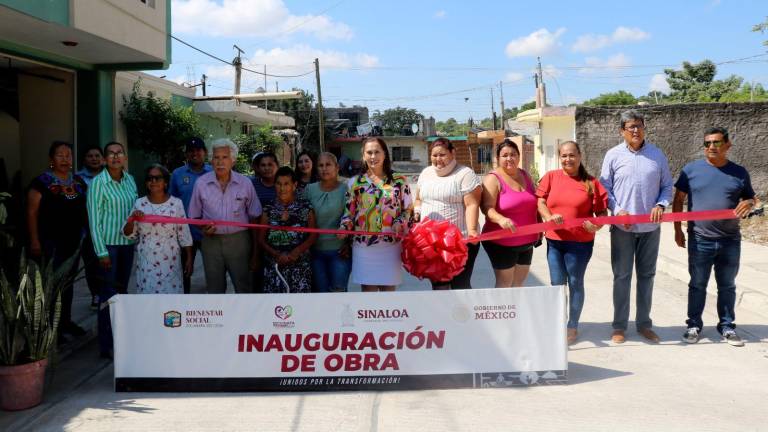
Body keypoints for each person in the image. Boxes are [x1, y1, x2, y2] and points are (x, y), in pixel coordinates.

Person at [673, 127, 756, 347]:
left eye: (716, 143)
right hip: (700, 238)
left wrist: (749, 203)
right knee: (697, 284)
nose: (711, 147)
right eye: (707, 143)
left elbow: (751, 198)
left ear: (728, 145)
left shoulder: (739, 172)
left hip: (730, 240)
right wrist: (677, 229)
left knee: (727, 285)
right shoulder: (691, 170)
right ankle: (693, 325)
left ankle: (727, 327)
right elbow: (679, 198)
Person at [599, 110, 673, 344]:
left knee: (647, 276)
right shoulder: (612, 155)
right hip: (623, 229)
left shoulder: (657, 155)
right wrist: (618, 209)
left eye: (639, 126)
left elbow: (667, 186)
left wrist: (661, 204)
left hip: (650, 229)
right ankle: (619, 326)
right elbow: (604, 189)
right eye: (630, 126)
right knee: (621, 276)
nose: (635, 130)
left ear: (644, 128)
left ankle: (644, 325)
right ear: (622, 130)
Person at [537, 141, 609, 344]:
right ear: (559, 157)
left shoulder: (591, 183)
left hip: (580, 243)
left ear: (579, 156)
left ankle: (572, 325)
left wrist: (597, 225)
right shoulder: (551, 177)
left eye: (571, 155)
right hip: (555, 241)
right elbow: (540, 200)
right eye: (564, 156)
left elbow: (602, 212)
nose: (567, 159)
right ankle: (558, 322)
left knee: (575, 283)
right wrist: (548, 216)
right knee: (557, 285)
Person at [27, 141, 88, 341]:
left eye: (68, 155)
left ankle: (65, 322)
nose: (65, 159)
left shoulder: (78, 182)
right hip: (49, 242)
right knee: (51, 285)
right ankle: (50, 328)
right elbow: (32, 212)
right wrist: (35, 241)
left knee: (68, 284)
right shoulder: (41, 182)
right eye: (60, 155)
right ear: (51, 159)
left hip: (73, 242)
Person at [339, 137, 413, 292]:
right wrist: (344, 227)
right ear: (364, 156)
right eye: (369, 152)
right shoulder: (354, 183)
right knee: (368, 293)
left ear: (385, 154)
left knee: (388, 292)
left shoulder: (399, 180)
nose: (373, 156)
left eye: (377, 152)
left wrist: (400, 221)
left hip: (390, 245)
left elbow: (408, 209)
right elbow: (349, 213)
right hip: (364, 246)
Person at [188, 138, 261, 294]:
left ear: (233, 160)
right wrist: (203, 229)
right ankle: (220, 319)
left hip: (240, 242)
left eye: (225, 157)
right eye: (216, 157)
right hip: (211, 242)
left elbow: (255, 217)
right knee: (215, 290)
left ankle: (244, 319)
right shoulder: (201, 183)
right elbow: (193, 217)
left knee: (244, 288)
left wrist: (255, 252)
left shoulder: (245, 183)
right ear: (211, 160)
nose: (220, 162)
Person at [87, 141, 138, 359]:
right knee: (108, 295)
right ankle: (106, 344)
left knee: (122, 294)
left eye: (119, 153)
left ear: (125, 157)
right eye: (111, 154)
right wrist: (101, 252)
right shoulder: (98, 183)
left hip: (127, 245)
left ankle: (121, 338)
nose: (116, 157)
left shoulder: (130, 180)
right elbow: (94, 220)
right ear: (105, 159)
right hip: (108, 247)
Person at [413, 137, 482, 290]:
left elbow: (472, 204)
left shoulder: (465, 174)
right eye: (434, 155)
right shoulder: (425, 173)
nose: (438, 159)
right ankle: (441, 315)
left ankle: (464, 315)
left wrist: (472, 231)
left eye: (442, 155)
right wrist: (417, 212)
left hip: (460, 242)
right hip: (432, 243)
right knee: (439, 286)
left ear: (452, 153)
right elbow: (418, 199)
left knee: (460, 285)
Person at [124, 164, 193, 294]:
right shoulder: (139, 204)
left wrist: (189, 258)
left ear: (166, 182)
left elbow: (184, 233)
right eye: (150, 178)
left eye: (157, 178)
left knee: (171, 302)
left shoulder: (176, 203)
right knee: (148, 300)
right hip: (146, 261)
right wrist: (132, 219)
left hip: (171, 261)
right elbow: (128, 234)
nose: (153, 181)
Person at [480, 139, 538, 288]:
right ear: (498, 158)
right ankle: (500, 312)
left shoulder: (525, 175)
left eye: (513, 154)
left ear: (519, 157)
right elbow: (487, 208)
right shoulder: (493, 179)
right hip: (501, 242)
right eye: (504, 155)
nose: (509, 158)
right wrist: (500, 219)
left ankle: (516, 312)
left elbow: (536, 201)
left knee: (518, 285)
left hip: (527, 241)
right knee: (504, 285)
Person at [258, 167, 317, 293]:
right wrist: (277, 254)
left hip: (299, 266)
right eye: (278, 184)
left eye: (286, 184)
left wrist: (297, 251)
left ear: (294, 185)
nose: (282, 188)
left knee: (300, 306)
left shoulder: (305, 207)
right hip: (274, 267)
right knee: (275, 308)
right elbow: (261, 239)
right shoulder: (268, 208)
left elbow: (313, 235)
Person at [303, 152, 351, 292]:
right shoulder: (309, 190)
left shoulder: (347, 189)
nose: (324, 168)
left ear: (337, 167)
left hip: (340, 252)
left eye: (328, 165)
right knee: (321, 296)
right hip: (315, 253)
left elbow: (352, 218)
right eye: (321, 165)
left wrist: (349, 244)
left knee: (338, 294)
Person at [169, 137, 212, 293]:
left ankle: (213, 308)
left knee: (213, 272)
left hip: (209, 231)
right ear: (186, 155)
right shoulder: (177, 174)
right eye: (191, 151)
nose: (195, 153)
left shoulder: (213, 172)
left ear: (205, 153)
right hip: (184, 231)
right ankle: (183, 302)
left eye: (198, 150)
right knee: (183, 271)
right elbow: (171, 201)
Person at [76, 146, 104, 309]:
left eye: (97, 155)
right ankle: (96, 294)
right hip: (88, 231)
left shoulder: (110, 176)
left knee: (108, 263)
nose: (94, 158)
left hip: (108, 229)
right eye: (90, 155)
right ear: (84, 159)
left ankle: (110, 294)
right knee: (92, 265)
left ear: (102, 158)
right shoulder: (76, 179)